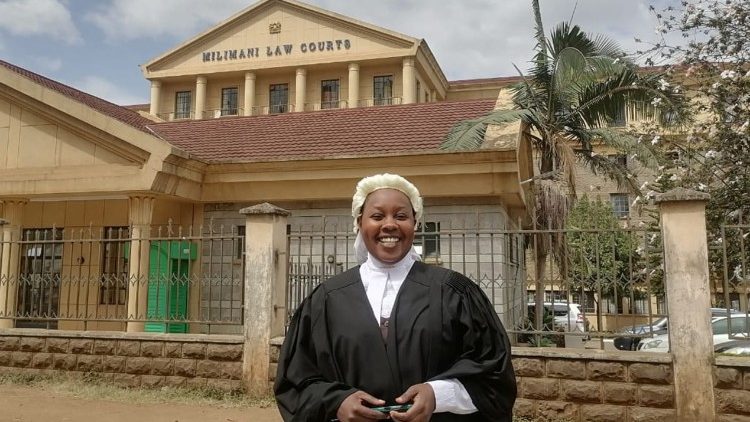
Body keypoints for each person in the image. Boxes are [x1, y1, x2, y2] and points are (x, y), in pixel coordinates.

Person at [275, 173, 516, 422]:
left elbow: (494, 375)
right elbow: (296, 380)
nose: (389, 224)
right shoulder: (327, 299)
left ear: (415, 223)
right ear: (359, 223)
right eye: (377, 216)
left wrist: (438, 395)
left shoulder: (455, 293)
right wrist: (336, 402)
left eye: (401, 216)